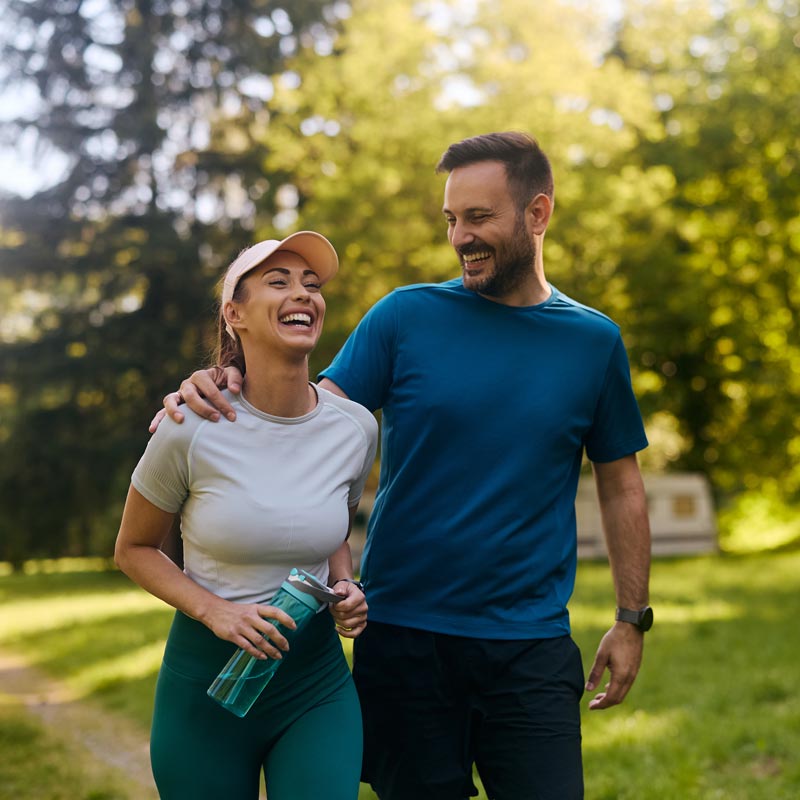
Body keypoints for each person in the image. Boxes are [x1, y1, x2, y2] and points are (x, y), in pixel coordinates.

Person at [154, 132, 652, 800]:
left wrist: (631, 617)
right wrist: (219, 382)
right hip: (405, 643)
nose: (461, 237)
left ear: (538, 215)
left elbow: (621, 485)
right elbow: (300, 424)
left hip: (530, 647)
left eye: (479, 218)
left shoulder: (594, 342)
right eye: (452, 219)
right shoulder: (405, 317)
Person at [116, 231, 378, 800]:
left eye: (311, 284)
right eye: (279, 282)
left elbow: (332, 523)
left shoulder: (356, 428)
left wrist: (344, 583)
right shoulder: (190, 427)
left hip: (314, 684)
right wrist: (217, 613)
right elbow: (133, 549)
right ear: (235, 314)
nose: (302, 293)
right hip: (205, 684)